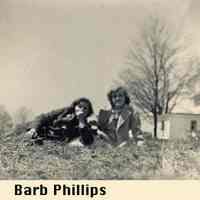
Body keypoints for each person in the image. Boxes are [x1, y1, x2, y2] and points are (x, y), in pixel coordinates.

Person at [27, 98, 97, 146]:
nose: (81, 109)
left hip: (57, 143)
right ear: (75, 106)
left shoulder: (84, 125)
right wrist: (33, 129)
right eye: (79, 106)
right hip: (43, 134)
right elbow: (43, 117)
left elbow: (88, 141)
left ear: (88, 112)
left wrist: (81, 120)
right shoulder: (64, 111)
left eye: (85, 108)